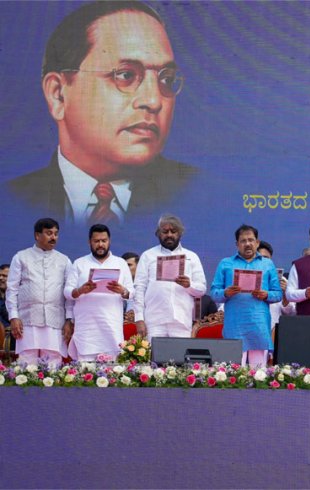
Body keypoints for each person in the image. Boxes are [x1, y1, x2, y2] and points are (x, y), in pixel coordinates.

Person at [7, 1, 196, 226]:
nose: (154, 101)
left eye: (166, 79)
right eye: (126, 75)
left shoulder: (198, 191)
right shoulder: (11, 200)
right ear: (58, 94)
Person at [210, 225, 282, 367]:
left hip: (258, 325)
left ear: (257, 242)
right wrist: (226, 293)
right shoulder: (226, 264)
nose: (247, 244)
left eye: (251, 240)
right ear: (237, 244)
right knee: (234, 373)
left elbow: (278, 294)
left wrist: (266, 294)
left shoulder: (267, 264)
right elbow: (214, 293)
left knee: (258, 374)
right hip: (235, 325)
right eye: (243, 241)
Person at [5, 218, 73, 366]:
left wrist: (69, 320)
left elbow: (68, 294)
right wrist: (14, 317)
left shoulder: (64, 260)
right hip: (27, 320)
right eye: (49, 233)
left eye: (56, 233)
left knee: (53, 363)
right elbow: (12, 290)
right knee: (27, 365)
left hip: (55, 321)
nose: (53, 237)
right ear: (37, 235)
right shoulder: (21, 257)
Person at [64, 224, 133, 360]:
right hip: (87, 328)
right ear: (89, 242)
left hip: (111, 325)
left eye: (104, 241)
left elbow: (132, 292)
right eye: (96, 241)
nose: (100, 244)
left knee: (113, 370)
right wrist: (80, 290)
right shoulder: (79, 263)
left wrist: (122, 291)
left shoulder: (120, 263)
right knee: (85, 371)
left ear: (109, 241)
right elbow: (67, 292)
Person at [133, 214, 206, 339]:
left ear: (180, 233)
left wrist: (189, 285)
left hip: (181, 321)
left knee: (180, 358)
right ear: (158, 234)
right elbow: (139, 289)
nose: (169, 235)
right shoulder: (148, 256)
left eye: (173, 231)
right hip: (154, 321)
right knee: (153, 358)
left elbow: (202, 289)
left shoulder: (191, 257)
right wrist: (139, 318)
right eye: (165, 231)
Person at [256, 240, 295, 327]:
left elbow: (291, 313)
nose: (263, 261)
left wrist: (285, 294)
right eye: (259, 258)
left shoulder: (282, 280)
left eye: (266, 258)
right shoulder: (245, 278)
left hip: (274, 332)